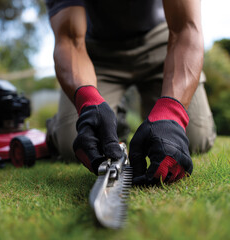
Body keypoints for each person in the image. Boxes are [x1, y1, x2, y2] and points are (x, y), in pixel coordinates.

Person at [45, 0, 217, 185]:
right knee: (74, 142)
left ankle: (149, 116)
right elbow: (69, 40)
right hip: (96, 52)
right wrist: (88, 101)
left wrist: (171, 113)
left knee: (195, 139)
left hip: (162, 40)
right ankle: (108, 119)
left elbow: (186, 27)